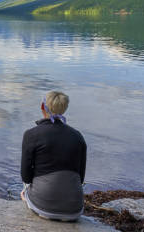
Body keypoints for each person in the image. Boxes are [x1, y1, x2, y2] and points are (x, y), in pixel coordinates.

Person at [19, 91, 87, 221]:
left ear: (42, 107)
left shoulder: (31, 135)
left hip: (44, 205)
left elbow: (26, 176)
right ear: (64, 109)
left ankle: (29, 198)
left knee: (25, 187)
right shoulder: (78, 136)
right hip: (74, 208)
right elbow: (81, 177)